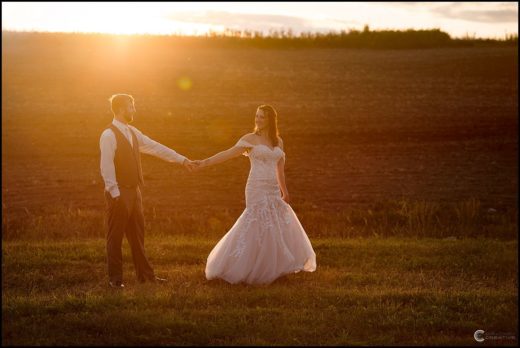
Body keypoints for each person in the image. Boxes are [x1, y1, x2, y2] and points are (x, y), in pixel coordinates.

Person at [193, 105, 316, 284]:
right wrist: (204, 162)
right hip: (256, 187)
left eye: (262, 117)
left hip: (273, 188)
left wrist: (285, 191)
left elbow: (280, 170)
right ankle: (241, 266)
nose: (258, 120)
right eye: (257, 116)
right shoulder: (250, 139)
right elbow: (228, 154)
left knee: (275, 224)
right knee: (256, 222)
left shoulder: (278, 142)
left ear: (270, 120)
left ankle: (275, 267)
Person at [99, 93, 197, 288]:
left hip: (134, 192)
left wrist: (182, 160)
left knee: (137, 236)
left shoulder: (133, 132)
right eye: (131, 106)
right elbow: (106, 166)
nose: (134, 109)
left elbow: (155, 147)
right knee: (115, 237)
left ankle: (145, 276)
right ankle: (115, 280)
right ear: (120, 109)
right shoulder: (108, 134)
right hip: (118, 193)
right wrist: (115, 193)